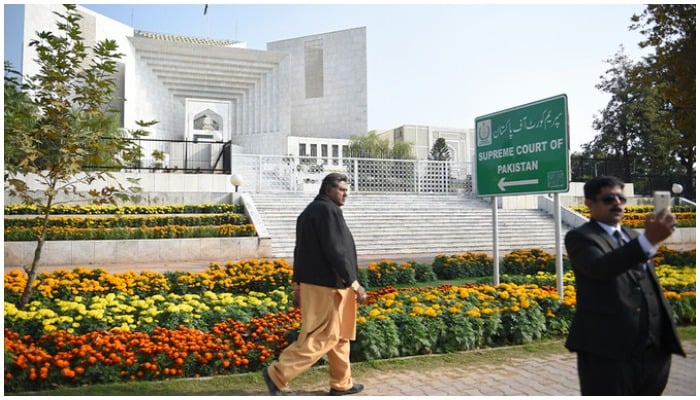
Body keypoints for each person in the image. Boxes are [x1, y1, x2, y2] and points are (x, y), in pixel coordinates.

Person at [564, 175, 685, 395]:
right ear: (589, 203)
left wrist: (646, 241)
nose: (617, 203)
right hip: (609, 354)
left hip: (653, 352)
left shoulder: (631, 234)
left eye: (621, 198)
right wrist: (648, 241)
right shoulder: (580, 237)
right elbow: (600, 268)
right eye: (609, 199)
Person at [262, 172, 368, 396]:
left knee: (340, 336)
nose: (345, 194)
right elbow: (336, 250)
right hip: (329, 285)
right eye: (341, 189)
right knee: (324, 336)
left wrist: (297, 285)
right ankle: (277, 374)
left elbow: (300, 252)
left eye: (346, 190)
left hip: (316, 283)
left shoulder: (309, 212)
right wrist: (354, 283)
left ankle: (342, 383)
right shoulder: (327, 211)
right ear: (327, 190)